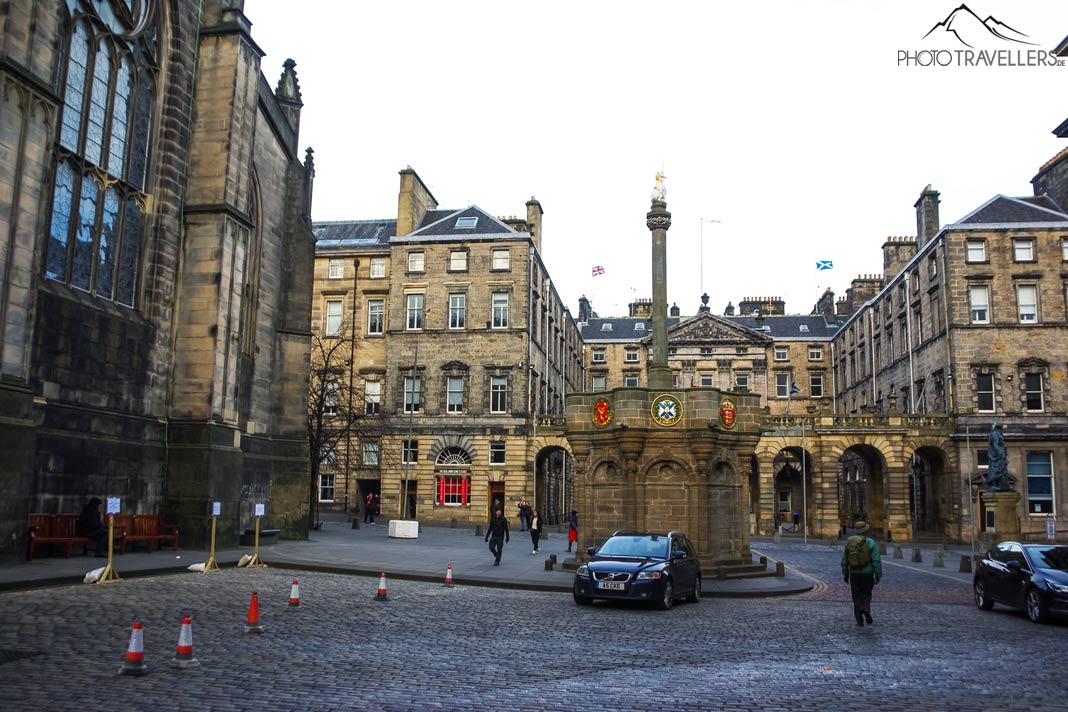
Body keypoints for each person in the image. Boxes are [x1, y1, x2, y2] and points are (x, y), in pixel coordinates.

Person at [840, 521, 882, 627]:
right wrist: (878, 574)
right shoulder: (870, 542)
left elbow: (844, 560)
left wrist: (845, 573)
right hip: (868, 573)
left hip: (854, 572)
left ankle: (859, 621)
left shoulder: (850, 542)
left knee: (856, 596)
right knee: (867, 593)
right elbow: (876, 560)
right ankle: (866, 608)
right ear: (866, 530)